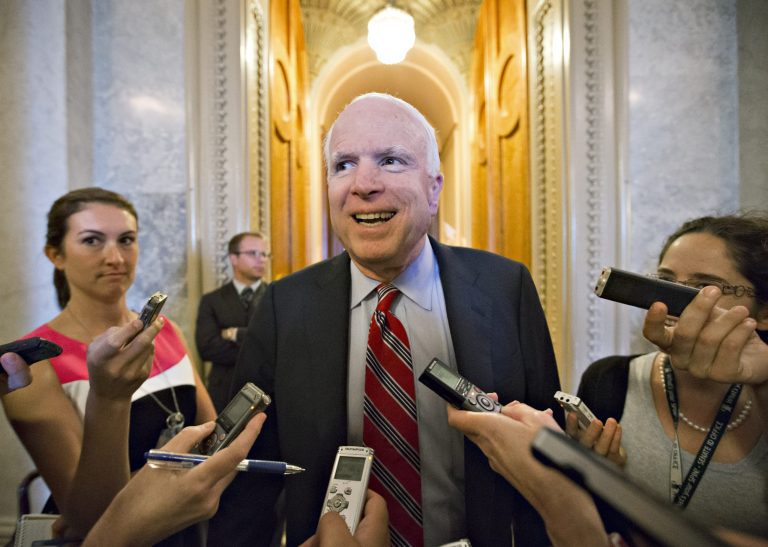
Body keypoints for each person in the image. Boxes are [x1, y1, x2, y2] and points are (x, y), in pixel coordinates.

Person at [211, 93, 561, 546]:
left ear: (434, 188)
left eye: (391, 160)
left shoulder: (505, 288)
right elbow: (249, 484)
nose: (363, 183)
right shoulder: (283, 307)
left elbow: (546, 461)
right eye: (343, 165)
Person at [1, 187, 216, 543]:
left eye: (127, 240)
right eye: (92, 241)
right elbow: (90, 517)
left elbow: (212, 435)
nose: (115, 257)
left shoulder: (167, 331)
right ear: (56, 254)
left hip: (184, 529)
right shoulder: (35, 365)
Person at [574, 214, 768, 537]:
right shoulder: (608, 380)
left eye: (705, 288)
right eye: (665, 282)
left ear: (763, 312)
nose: (676, 304)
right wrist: (604, 480)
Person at [195, 232, 270, 411]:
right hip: (224, 393)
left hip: (267, 394)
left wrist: (234, 334)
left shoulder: (278, 297)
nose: (261, 260)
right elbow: (206, 348)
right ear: (233, 258)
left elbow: (280, 345)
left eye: (265, 254)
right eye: (253, 253)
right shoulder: (212, 300)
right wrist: (258, 348)